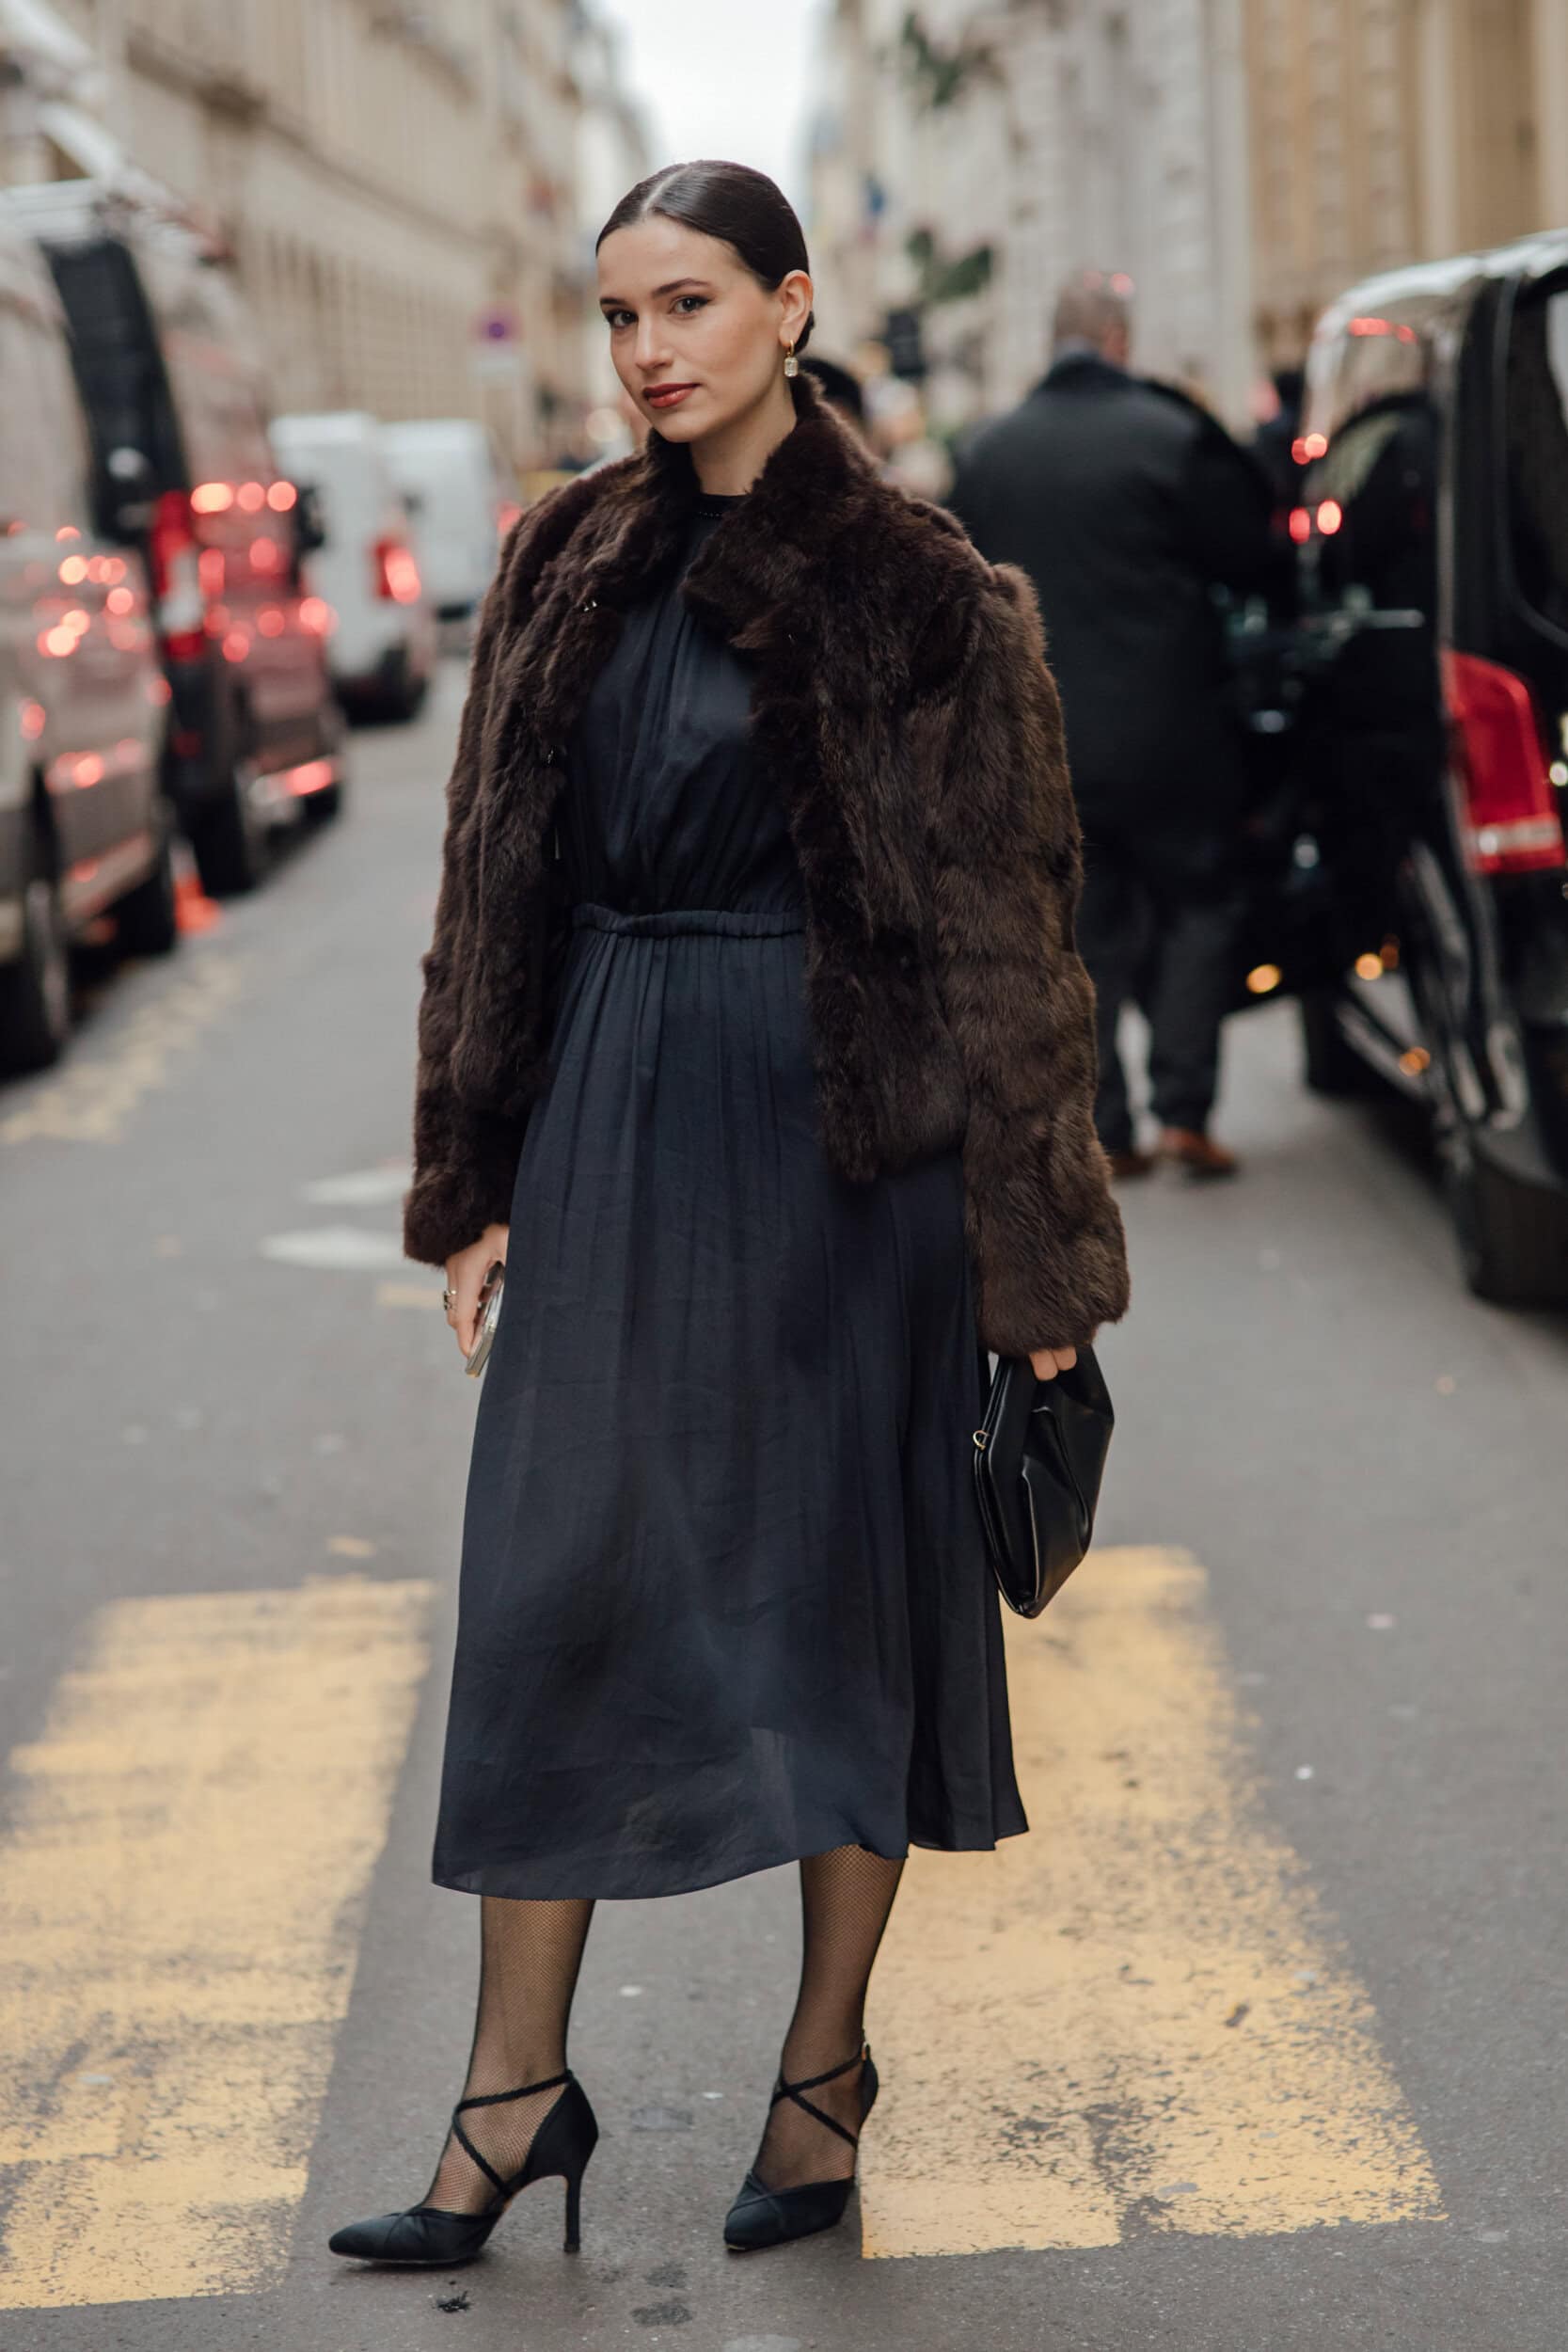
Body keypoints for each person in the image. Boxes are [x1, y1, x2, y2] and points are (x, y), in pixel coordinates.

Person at [328, 162, 1129, 2271]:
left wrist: (1035, 1275)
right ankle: (510, 2095)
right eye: (613, 316)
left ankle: (820, 2071)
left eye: (684, 304)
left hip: (836, 1154)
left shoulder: (919, 589)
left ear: (789, 305)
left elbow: (1002, 948)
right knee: (552, 1582)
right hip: (605, 1100)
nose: (646, 352)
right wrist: (473, 1176)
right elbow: (487, 884)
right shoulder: (561, 555)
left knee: (836, 1604)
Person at [950, 274, 1273, 1178]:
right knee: (1198, 909)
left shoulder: (988, 452)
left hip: (1047, 742)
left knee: (1080, 934)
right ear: (1119, 341)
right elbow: (1255, 562)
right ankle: (1185, 1111)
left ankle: (1110, 1129)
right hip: (1177, 735)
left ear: (1053, 343)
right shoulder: (1170, 437)